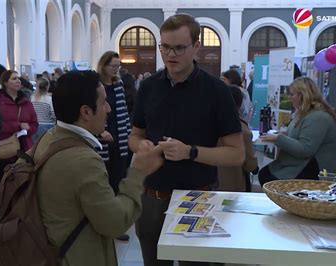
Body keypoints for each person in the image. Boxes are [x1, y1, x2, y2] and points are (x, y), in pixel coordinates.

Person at [129, 14, 245, 266]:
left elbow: (236, 154)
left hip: (198, 198)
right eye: (165, 47)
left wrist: (190, 152)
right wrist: (142, 146)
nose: (171, 54)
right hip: (152, 196)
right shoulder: (148, 87)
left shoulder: (217, 91)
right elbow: (135, 135)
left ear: (196, 46)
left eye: (179, 47)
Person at [36, 70, 164, 266]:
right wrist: (138, 172)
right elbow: (115, 222)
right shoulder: (82, 160)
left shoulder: (48, 139)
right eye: (104, 102)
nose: (109, 109)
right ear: (86, 112)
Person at [258, 77, 336, 187]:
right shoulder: (306, 114)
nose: (290, 98)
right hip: (300, 165)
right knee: (265, 174)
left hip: (310, 169)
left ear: (302, 95)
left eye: (292, 95)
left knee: (267, 177)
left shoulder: (318, 117)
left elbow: (305, 149)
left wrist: (279, 139)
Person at [96, 51, 132, 241]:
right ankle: (101, 224)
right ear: (103, 66)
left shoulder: (118, 84)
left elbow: (123, 111)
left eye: (118, 66)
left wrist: (128, 133)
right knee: (103, 185)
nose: (116, 69)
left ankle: (115, 225)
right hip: (102, 141)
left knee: (117, 183)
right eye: (113, 66)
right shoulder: (96, 86)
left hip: (120, 141)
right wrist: (101, 131)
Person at [0, 70, 38, 199]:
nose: (18, 81)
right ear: (5, 82)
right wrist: (18, 126)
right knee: (0, 183)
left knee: (22, 184)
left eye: (19, 79)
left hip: (23, 149)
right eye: (14, 78)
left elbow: (34, 123)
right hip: (3, 148)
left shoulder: (26, 103)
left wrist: (28, 129)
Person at [217, 86, 257, 192]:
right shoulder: (241, 128)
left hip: (208, 184)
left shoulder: (207, 123)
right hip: (233, 185)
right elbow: (250, 165)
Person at [31, 77, 55, 142]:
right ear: (47, 87)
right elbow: (53, 114)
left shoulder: (32, 98)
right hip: (48, 126)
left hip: (34, 126)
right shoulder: (49, 99)